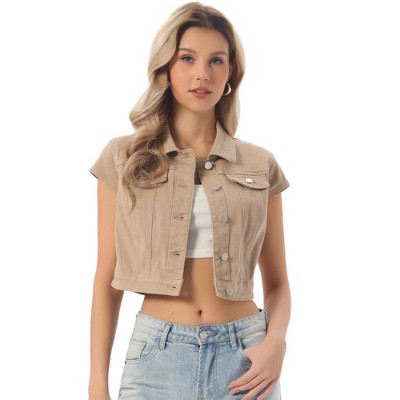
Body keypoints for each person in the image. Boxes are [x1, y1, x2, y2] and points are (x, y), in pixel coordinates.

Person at [88, 2, 291, 399]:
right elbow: (105, 278)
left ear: (230, 71)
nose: (202, 74)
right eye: (187, 58)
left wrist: (276, 344)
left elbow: (279, 282)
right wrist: (97, 383)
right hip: (155, 360)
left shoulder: (259, 164)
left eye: (216, 60)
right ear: (166, 67)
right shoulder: (124, 158)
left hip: (247, 360)